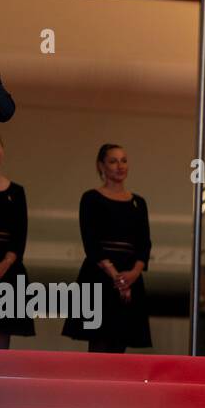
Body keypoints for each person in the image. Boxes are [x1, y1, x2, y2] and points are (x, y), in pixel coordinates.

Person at [62, 144, 152, 352]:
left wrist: (133, 274)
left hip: (131, 274)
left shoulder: (139, 202)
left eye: (124, 160)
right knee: (99, 341)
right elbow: (91, 242)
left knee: (121, 342)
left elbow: (144, 243)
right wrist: (116, 277)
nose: (120, 166)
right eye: (113, 161)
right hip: (99, 274)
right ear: (101, 166)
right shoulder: (91, 198)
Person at [0, 135, 34, 346]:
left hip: (8, 268)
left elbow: (20, 234)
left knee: (3, 333)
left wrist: (4, 265)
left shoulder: (16, 191)